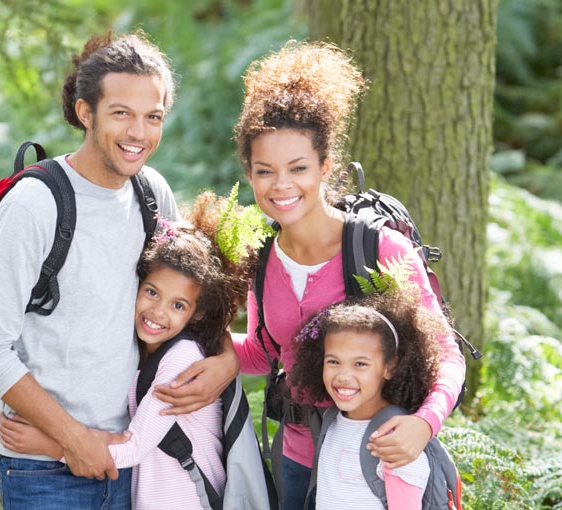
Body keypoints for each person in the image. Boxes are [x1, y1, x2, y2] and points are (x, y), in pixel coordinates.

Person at [154, 40, 466, 510]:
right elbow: (266, 349)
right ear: (250, 174)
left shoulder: (379, 249)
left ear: (325, 167)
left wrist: (424, 424)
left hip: (377, 455)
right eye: (265, 171)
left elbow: (448, 356)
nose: (282, 185)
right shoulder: (262, 259)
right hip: (297, 457)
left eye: (298, 168)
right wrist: (216, 353)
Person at [0, 31, 190, 510]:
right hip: (43, 469)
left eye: (153, 117)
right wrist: (73, 440)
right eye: (121, 113)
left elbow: (187, 311)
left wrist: (225, 362)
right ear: (86, 113)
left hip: (134, 458)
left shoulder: (154, 196)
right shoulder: (34, 205)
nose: (139, 133)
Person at [0, 191, 263, 509]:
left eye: (178, 305)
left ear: (197, 313)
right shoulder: (141, 349)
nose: (158, 312)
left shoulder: (182, 359)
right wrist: (3, 397)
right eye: (151, 292)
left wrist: (51, 445)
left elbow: (133, 447)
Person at [290, 289, 443, 509]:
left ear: (389, 367)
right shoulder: (331, 421)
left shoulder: (396, 439)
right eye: (333, 362)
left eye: (360, 364)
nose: (343, 376)